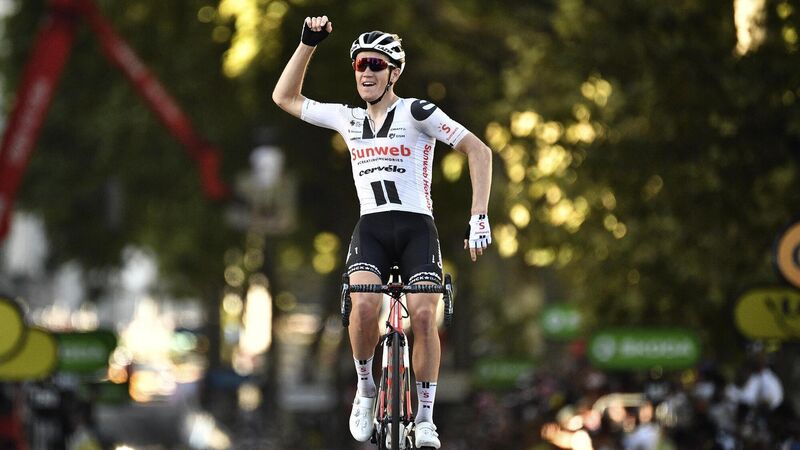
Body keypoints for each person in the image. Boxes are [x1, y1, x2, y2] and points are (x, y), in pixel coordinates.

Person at [273, 15, 492, 449]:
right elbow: (284, 97)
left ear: (395, 72)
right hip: (371, 228)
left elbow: (478, 150)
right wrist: (308, 43)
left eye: (376, 64)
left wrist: (479, 216)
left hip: (417, 229)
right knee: (364, 306)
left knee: (424, 316)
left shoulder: (417, 112)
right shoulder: (347, 118)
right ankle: (366, 389)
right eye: (360, 64)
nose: (367, 72)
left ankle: (425, 419)